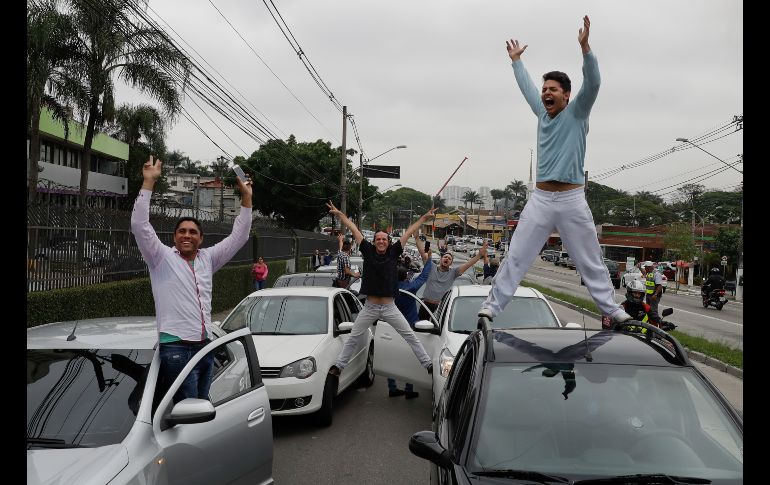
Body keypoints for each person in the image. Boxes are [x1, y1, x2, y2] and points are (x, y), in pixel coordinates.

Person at [478, 16, 632, 325]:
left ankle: (611, 310)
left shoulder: (578, 112)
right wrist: (516, 63)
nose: (545, 93)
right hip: (541, 199)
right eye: (544, 88)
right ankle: (493, 306)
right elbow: (526, 89)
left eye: (552, 89)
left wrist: (586, 47)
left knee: (589, 260)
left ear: (566, 94)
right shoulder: (542, 113)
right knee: (518, 255)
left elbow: (594, 83)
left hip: (572, 199)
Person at [131, 155, 252, 403]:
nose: (187, 235)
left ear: (201, 238)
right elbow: (139, 224)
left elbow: (239, 237)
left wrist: (247, 199)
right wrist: (148, 183)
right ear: (174, 237)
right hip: (175, 347)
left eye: (193, 232)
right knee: (190, 410)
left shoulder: (208, 258)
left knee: (201, 406)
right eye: (182, 231)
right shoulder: (161, 258)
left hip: (204, 345)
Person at [326, 201, 434, 378]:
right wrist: (339, 215)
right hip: (369, 307)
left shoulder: (394, 252)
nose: (381, 241)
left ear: (388, 242)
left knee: (410, 336)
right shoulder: (367, 250)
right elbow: (353, 228)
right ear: (374, 242)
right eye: (378, 239)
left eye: (384, 239)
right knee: (354, 336)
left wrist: (423, 218)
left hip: (390, 307)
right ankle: (339, 366)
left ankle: (427, 364)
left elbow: (408, 232)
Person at [389, 237, 433, 399]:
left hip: (392, 327)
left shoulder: (389, 289)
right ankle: (408, 389)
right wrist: (428, 259)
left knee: (392, 358)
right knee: (410, 357)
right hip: (411, 328)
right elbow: (424, 276)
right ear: (406, 276)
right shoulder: (411, 287)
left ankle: (392, 387)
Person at [420, 243, 488, 320]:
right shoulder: (432, 267)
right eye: (445, 257)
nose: (447, 259)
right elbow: (423, 255)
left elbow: (468, 264)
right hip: (426, 305)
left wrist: (479, 255)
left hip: (441, 308)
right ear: (441, 259)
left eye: (449, 259)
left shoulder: (453, 272)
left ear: (451, 263)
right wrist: (416, 238)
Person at [641, 261, 663, 325]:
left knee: (653, 311)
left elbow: (660, 286)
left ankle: (657, 325)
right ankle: (649, 323)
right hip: (649, 294)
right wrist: (640, 268)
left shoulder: (656, 274)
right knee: (648, 310)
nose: (645, 269)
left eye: (646, 267)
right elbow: (644, 273)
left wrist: (655, 294)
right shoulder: (649, 273)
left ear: (650, 267)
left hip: (654, 296)